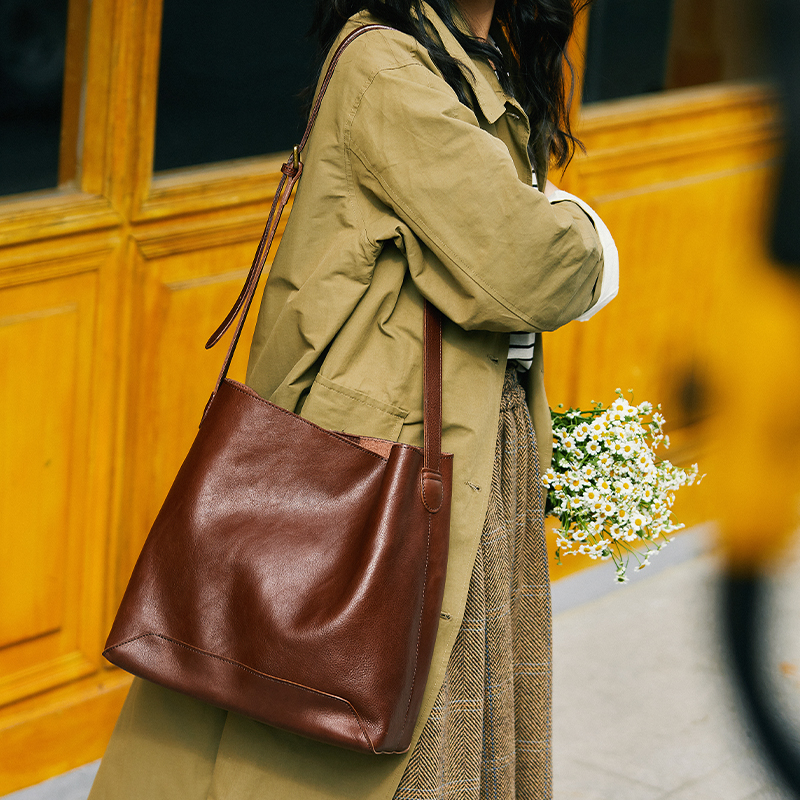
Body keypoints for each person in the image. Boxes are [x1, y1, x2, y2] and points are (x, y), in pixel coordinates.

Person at [89, 1, 618, 798]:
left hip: (463, 447)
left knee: (445, 727)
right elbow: (525, 265)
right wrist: (587, 234)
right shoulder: (390, 63)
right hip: (392, 461)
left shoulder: (472, 58)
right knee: (373, 731)